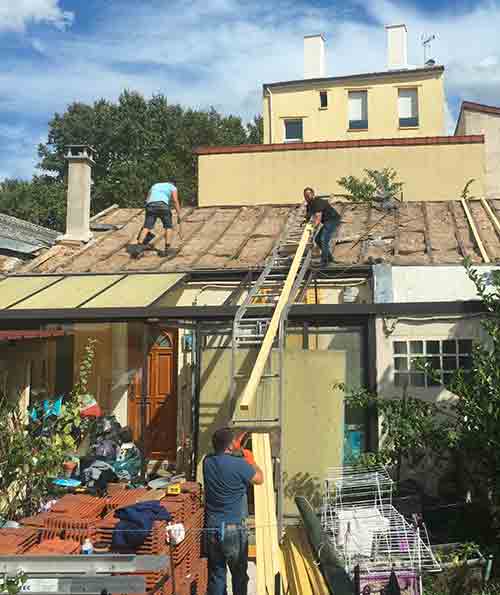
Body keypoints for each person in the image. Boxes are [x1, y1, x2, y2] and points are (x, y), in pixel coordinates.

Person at [203, 427, 264, 595]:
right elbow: (260, 478)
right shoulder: (241, 465)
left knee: (217, 576)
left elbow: (221, 455)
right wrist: (250, 460)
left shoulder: (207, 462)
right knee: (239, 577)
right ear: (231, 445)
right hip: (234, 531)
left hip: (212, 529)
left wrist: (233, 446)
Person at [135, 180, 182, 257]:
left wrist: (148, 209)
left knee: (146, 226)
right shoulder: (173, 187)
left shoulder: (155, 185)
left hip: (150, 206)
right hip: (163, 206)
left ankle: (138, 247)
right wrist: (179, 214)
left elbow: (147, 199)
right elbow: (175, 201)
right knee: (168, 227)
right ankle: (167, 248)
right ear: (174, 184)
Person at [304, 186, 340, 266]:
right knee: (317, 239)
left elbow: (318, 218)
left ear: (313, 194)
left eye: (308, 195)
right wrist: (304, 222)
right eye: (305, 195)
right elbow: (308, 216)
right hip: (326, 221)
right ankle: (330, 259)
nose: (306, 197)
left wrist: (313, 229)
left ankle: (324, 261)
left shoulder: (317, 202)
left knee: (323, 239)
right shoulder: (309, 205)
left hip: (333, 219)